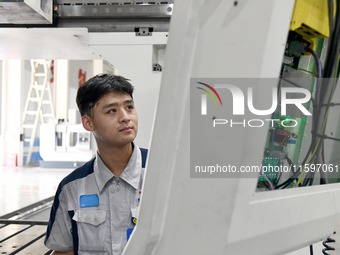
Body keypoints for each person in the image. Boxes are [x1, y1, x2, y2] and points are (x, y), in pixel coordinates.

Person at [45, 74, 147, 255]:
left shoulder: (163, 176)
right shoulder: (71, 188)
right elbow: (63, 251)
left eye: (129, 107)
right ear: (88, 123)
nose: (125, 117)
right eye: (112, 111)